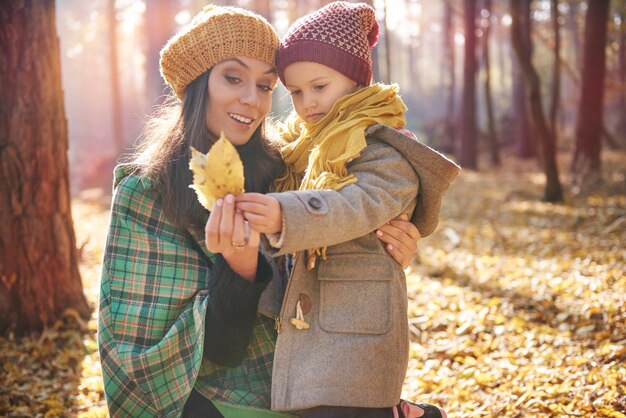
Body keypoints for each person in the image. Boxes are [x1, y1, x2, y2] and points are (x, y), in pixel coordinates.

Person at [97, 5, 423, 417]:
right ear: (198, 83)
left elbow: (339, 226)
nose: (252, 100)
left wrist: (385, 247)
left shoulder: (284, 171)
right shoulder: (145, 192)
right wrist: (240, 269)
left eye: (267, 86)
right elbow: (206, 352)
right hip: (203, 395)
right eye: (233, 78)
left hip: (307, 374)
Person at [235, 3, 460, 418]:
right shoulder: (298, 152)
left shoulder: (384, 150)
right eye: (296, 92)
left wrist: (286, 215)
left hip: (358, 333)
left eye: (320, 86)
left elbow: (355, 205)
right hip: (307, 325)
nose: (307, 103)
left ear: (355, 80)